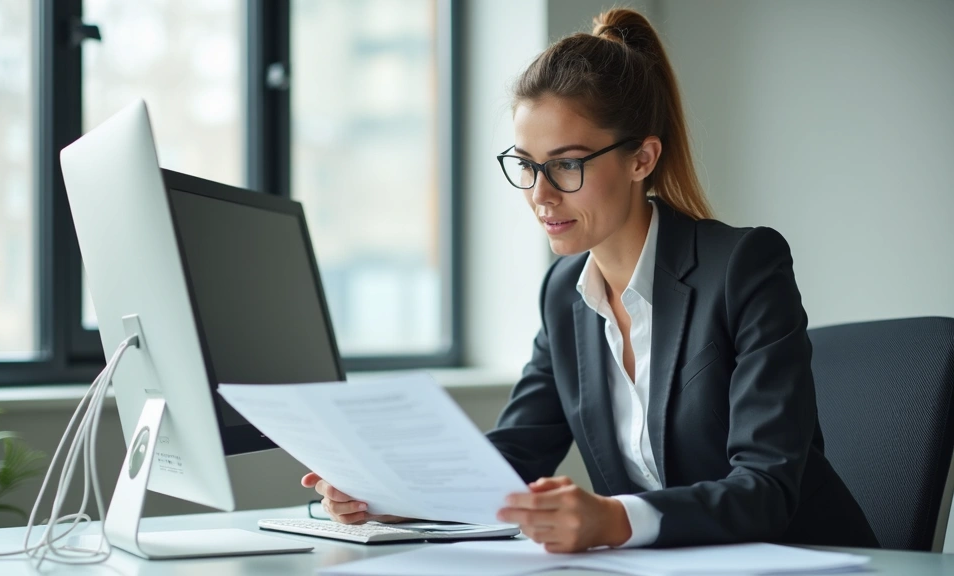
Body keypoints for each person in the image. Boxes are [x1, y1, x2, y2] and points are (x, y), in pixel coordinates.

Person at [301, 7, 879, 553]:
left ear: (641, 159)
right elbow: (517, 453)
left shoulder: (744, 266)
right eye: (527, 165)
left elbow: (767, 488)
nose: (539, 194)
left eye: (567, 164)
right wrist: (394, 492)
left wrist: (616, 518)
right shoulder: (563, 293)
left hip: (808, 560)